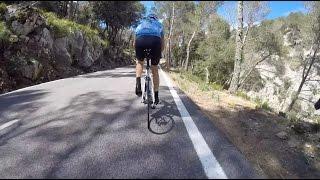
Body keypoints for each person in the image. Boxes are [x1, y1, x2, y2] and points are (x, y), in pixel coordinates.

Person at [133, 13, 164, 105]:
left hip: (140, 40)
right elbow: (162, 44)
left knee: (140, 62)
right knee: (154, 69)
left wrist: (139, 53)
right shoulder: (159, 24)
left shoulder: (141, 23)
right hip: (155, 41)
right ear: (155, 18)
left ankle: (138, 84)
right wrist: (158, 54)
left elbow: (134, 43)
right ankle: (156, 96)